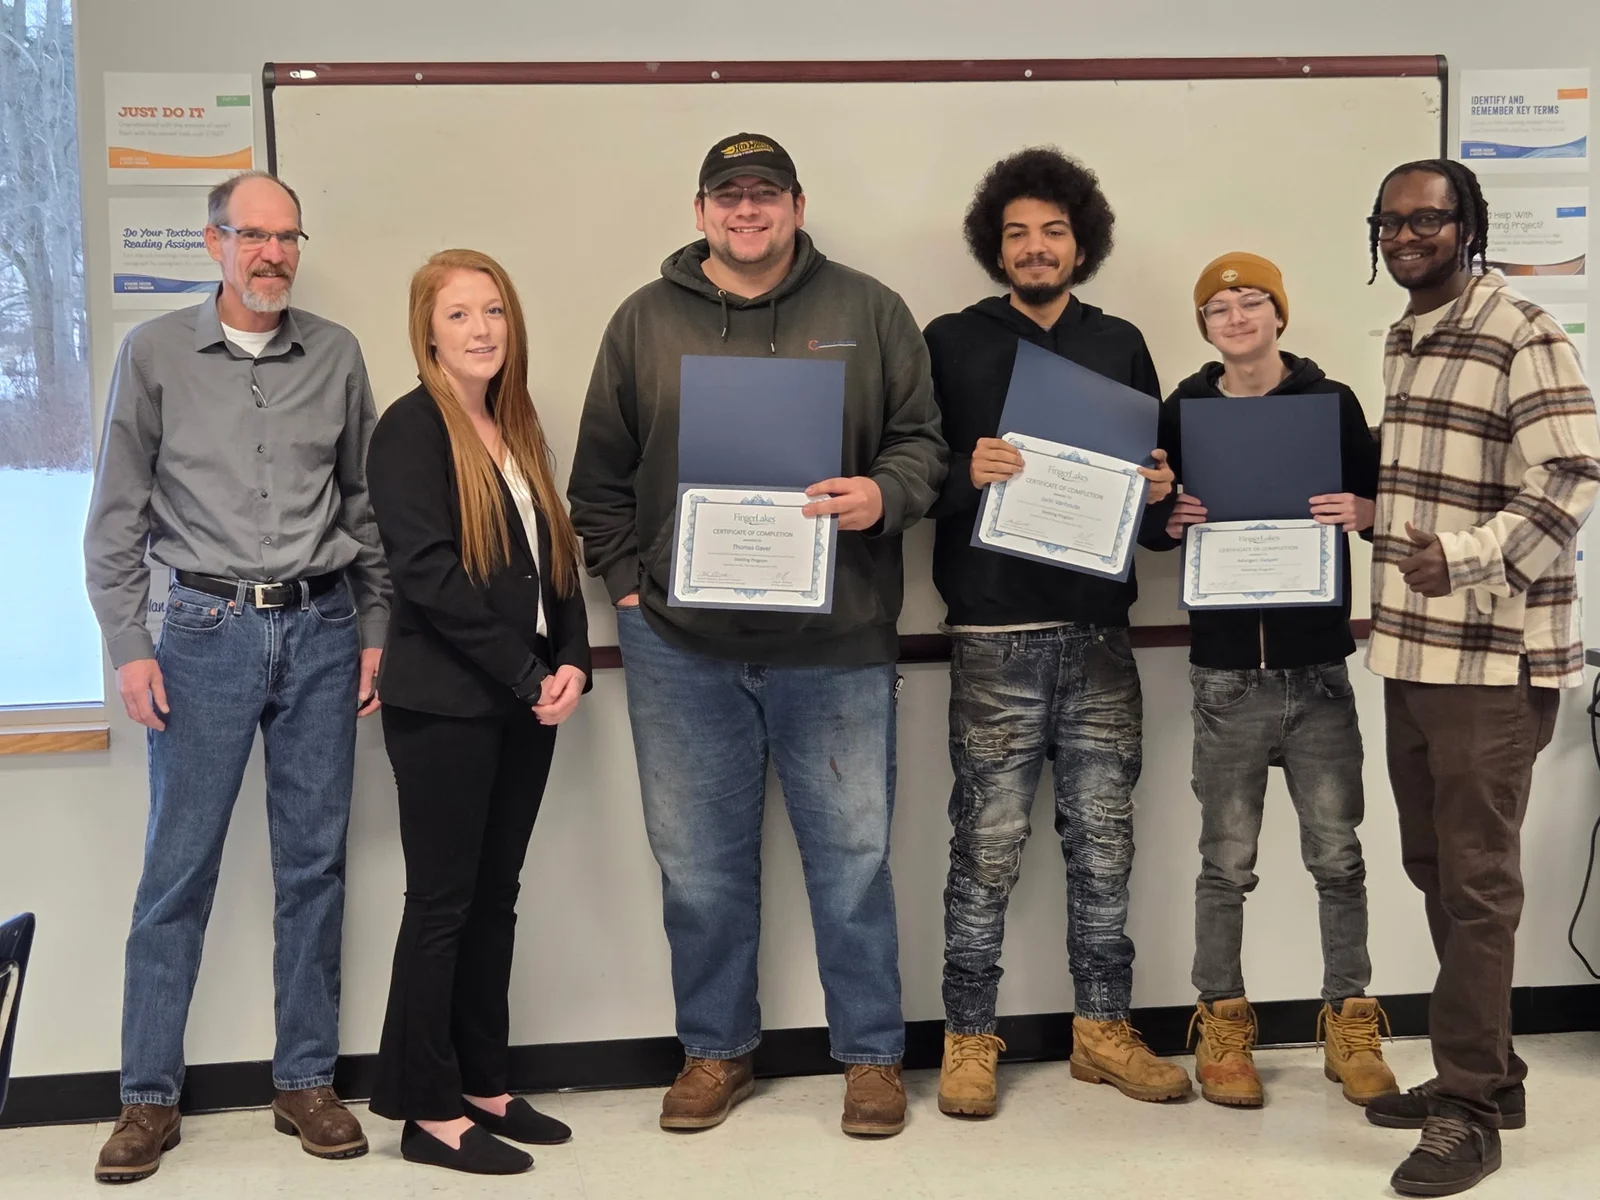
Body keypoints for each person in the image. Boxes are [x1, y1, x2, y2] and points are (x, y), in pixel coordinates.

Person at [567, 132, 946, 1138]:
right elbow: (596, 482)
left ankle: (869, 1059)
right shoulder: (643, 322)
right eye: (727, 197)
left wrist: (884, 492)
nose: (747, 212)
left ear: (795, 204)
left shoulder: (868, 310)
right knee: (698, 866)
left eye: (764, 195)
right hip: (681, 647)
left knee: (854, 862)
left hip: (838, 645)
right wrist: (629, 589)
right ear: (700, 213)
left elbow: (924, 443)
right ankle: (714, 1051)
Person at [83, 171, 389, 1183]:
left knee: (314, 866)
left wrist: (375, 627)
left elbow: (365, 504)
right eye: (251, 236)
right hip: (201, 634)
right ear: (212, 243)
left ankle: (306, 1082)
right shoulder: (157, 354)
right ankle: (146, 1099)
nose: (272, 255)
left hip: (321, 631)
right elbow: (117, 515)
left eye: (287, 236)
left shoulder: (337, 355)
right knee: (178, 873)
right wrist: (129, 641)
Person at [921, 147, 1182, 1119]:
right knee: (985, 850)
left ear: (1082, 242)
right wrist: (964, 473)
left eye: (1053, 231)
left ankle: (1102, 1032)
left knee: (1104, 848)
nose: (1035, 248)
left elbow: (1156, 515)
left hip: (1100, 641)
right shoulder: (948, 341)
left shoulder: (1119, 344)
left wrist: (1160, 497)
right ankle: (966, 1037)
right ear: (996, 245)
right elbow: (905, 474)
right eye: (1017, 233)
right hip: (994, 637)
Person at [1361, 159, 1600, 1197]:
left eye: (1427, 219)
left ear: (1468, 226)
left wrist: (1465, 559)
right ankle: (1490, 1075)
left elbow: (1573, 477)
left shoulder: (1521, 329)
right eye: (1390, 221)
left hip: (1490, 664)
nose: (1406, 235)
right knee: (1434, 868)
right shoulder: (1408, 338)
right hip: (1410, 652)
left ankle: (1466, 1111)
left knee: (1474, 883)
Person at [364, 249, 591, 1175]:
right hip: (448, 705)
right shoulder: (410, 430)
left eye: (493, 310)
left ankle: (483, 1083)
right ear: (428, 332)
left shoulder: (515, 423)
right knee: (443, 905)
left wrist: (571, 657)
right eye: (459, 315)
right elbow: (428, 576)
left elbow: (556, 558)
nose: (482, 329)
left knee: (496, 898)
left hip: (522, 701)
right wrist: (524, 673)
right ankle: (426, 1112)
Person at [1151, 252, 1395, 1110]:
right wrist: (1166, 516)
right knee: (1226, 864)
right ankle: (1222, 1023)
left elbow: (1378, 506)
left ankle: (1349, 1021)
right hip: (1225, 677)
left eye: (1252, 300)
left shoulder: (1330, 405)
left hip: (1319, 667)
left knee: (1339, 856)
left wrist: (1363, 513)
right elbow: (1153, 525)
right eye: (1219, 306)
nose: (1237, 315)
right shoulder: (1181, 409)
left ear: (1279, 314)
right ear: (1206, 326)